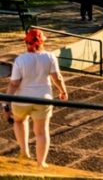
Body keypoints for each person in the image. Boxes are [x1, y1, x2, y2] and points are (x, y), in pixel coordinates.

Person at [4, 29, 68, 168]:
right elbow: (57, 78)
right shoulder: (50, 57)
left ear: (26, 42)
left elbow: (14, 83)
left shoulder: (20, 60)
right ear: (42, 42)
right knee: (41, 132)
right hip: (43, 99)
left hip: (21, 100)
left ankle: (24, 152)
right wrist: (63, 91)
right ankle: (41, 163)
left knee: (20, 121)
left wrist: (6, 103)